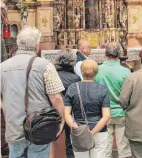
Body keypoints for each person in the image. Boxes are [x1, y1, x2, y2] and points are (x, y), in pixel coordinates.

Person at [1, 26, 65, 158]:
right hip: (40, 126)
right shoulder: (46, 65)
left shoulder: (2, 67)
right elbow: (56, 98)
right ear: (36, 46)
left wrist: (6, 106)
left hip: (14, 127)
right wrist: (61, 120)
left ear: (18, 44)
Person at [65, 60, 111, 158]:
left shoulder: (72, 88)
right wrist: (92, 133)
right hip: (99, 131)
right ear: (96, 72)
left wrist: (75, 127)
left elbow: (67, 114)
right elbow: (106, 116)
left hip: (79, 130)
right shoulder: (102, 89)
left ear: (81, 71)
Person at [94, 43, 132, 158]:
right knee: (124, 148)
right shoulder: (126, 71)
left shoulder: (97, 70)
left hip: (103, 113)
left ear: (105, 53)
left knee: (105, 149)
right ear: (119, 54)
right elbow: (129, 93)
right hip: (121, 111)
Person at [55, 49, 81, 158]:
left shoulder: (54, 75)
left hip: (55, 111)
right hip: (72, 113)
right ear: (72, 62)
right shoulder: (76, 78)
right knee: (71, 142)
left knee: (51, 141)